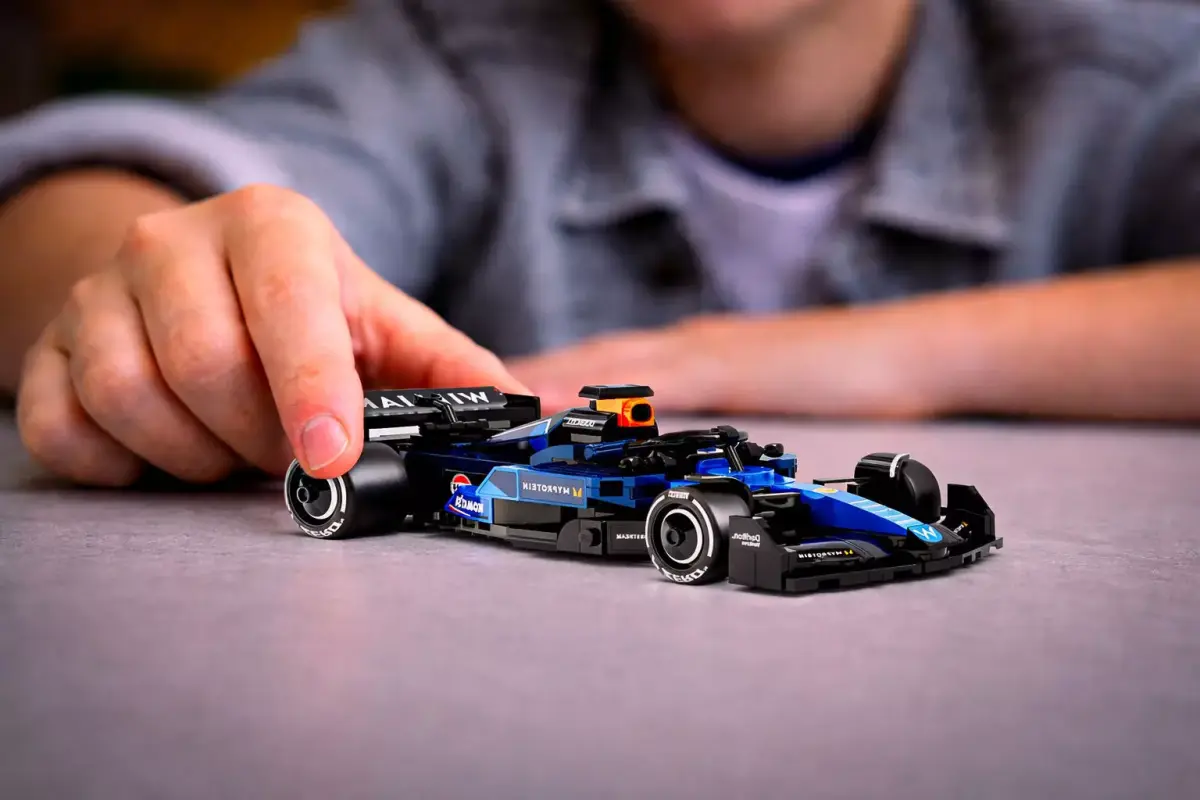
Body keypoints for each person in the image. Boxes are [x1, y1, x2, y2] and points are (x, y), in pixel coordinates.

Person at [0, 0, 1198, 489]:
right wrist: (149, 284)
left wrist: (830, 356)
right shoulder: (448, 54)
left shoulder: (1131, 61)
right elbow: (90, 208)